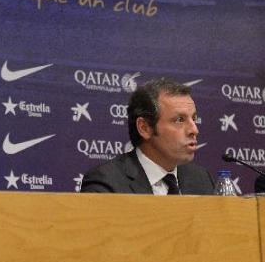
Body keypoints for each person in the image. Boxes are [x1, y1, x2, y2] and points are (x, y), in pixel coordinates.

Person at [81, 78, 215, 194]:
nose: (194, 130)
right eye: (179, 120)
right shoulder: (107, 183)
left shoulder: (201, 179)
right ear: (145, 128)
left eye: (194, 118)